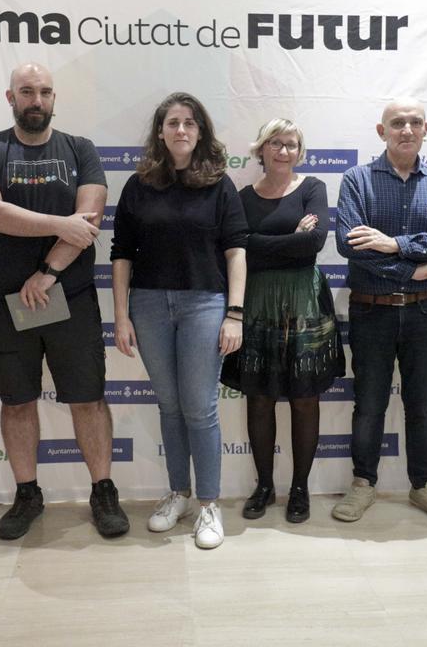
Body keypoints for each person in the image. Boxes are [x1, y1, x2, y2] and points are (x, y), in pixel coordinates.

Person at [0, 62, 128, 540]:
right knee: (18, 402)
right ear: (10, 97)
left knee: (88, 399)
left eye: (45, 92)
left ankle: (103, 491)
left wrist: (48, 272)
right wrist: (60, 223)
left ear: (55, 99)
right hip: (3, 301)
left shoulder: (80, 149)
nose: (37, 100)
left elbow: (89, 217)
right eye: (27, 92)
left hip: (69, 298)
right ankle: (28, 493)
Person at [111, 92, 247, 549]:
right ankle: (179, 493)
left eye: (190, 122)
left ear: (201, 131)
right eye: (172, 122)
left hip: (204, 305)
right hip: (148, 306)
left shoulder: (219, 185)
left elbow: (236, 252)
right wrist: (120, 316)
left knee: (200, 408)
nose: (181, 130)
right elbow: (121, 255)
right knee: (169, 406)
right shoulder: (139, 185)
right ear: (160, 131)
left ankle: (209, 504)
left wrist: (235, 314)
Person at [331, 96, 427, 527]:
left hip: (425, 315)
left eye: (414, 122)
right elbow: (348, 245)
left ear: (426, 129)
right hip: (371, 311)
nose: (406, 129)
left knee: (421, 405)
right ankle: (363, 483)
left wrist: (395, 245)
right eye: (397, 123)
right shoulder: (357, 180)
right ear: (382, 131)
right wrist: (417, 270)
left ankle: (423, 486)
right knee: (369, 402)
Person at [220, 118, 343, 523]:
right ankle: (264, 486)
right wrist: (288, 239)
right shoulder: (241, 196)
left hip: (304, 302)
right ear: (261, 149)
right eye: (275, 143)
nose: (283, 150)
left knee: (306, 399)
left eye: (291, 144)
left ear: (299, 151)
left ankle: (301, 489)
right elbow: (240, 249)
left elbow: (313, 243)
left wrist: (266, 243)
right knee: (260, 397)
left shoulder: (312, 189)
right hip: (256, 304)